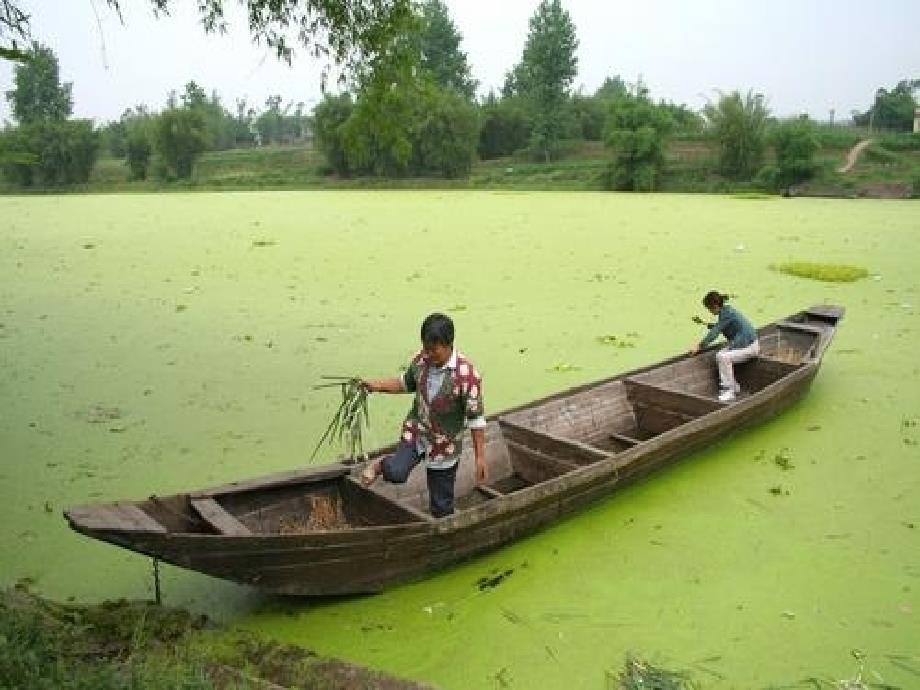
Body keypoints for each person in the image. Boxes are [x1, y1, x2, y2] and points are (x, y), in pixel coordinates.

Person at [360, 313, 487, 518]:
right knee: (396, 472)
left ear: (448, 344)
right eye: (426, 348)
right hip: (417, 432)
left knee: (441, 507)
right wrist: (376, 385)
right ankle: (380, 465)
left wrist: (480, 457)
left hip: (444, 446)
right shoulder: (421, 361)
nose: (428, 354)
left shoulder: (467, 376)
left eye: (433, 349)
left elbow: (476, 419)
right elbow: (404, 383)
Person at [689, 291, 759, 402]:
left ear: (715, 306)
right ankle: (734, 387)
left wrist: (699, 346)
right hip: (742, 344)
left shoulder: (727, 314)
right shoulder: (726, 311)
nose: (709, 311)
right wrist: (710, 325)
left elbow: (715, 332)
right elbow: (721, 326)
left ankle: (729, 391)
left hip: (750, 347)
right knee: (721, 355)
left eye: (709, 308)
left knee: (723, 357)